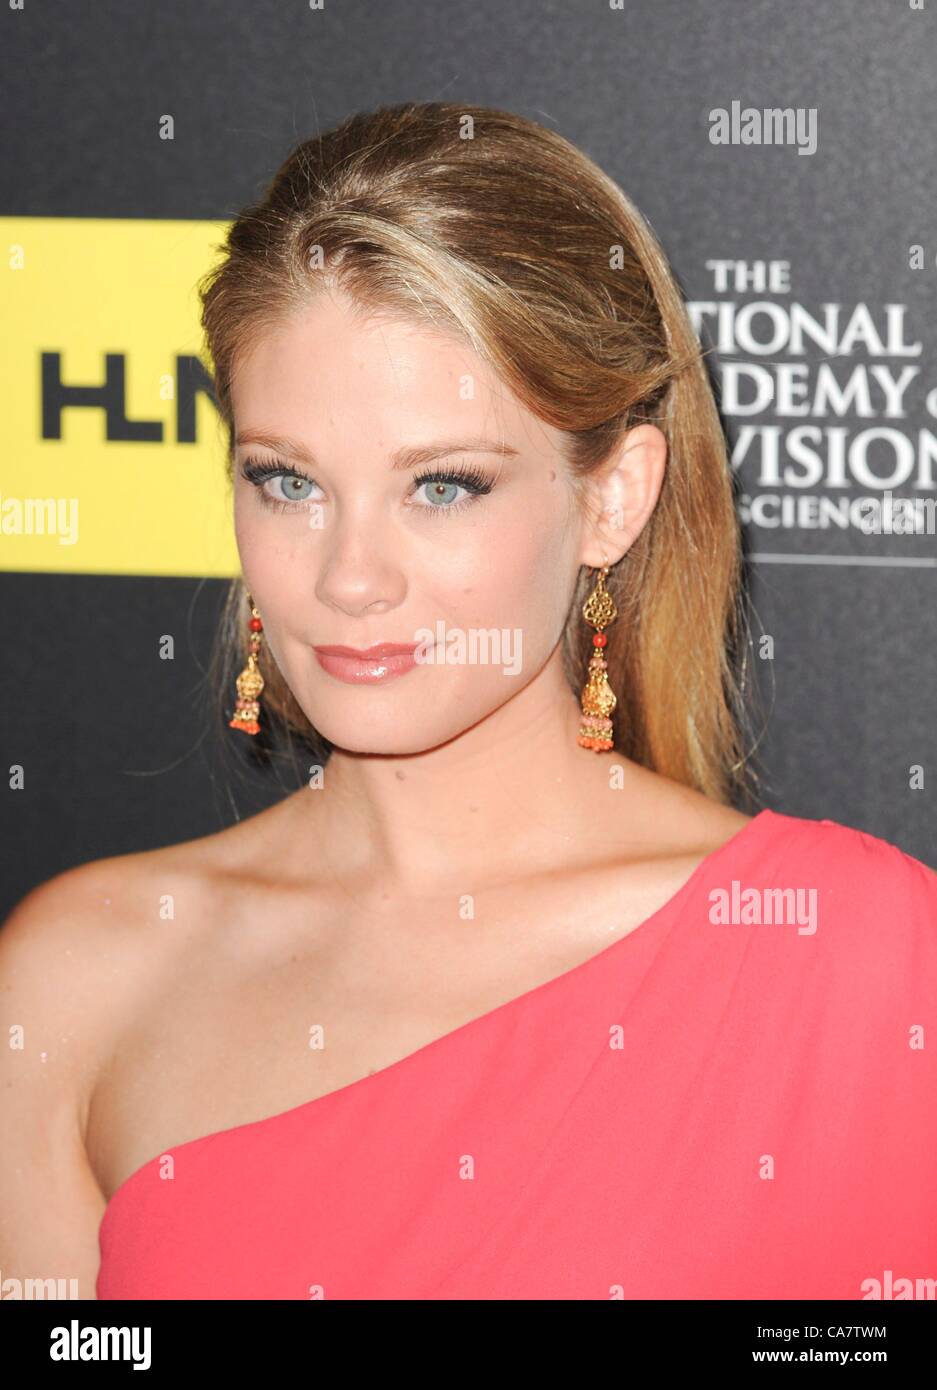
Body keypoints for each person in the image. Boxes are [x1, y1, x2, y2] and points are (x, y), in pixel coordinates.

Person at [2, 102, 935, 1301]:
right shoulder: (80, 977)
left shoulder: (857, 961)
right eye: (286, 480)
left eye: (442, 486)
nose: (348, 576)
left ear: (614, 496)